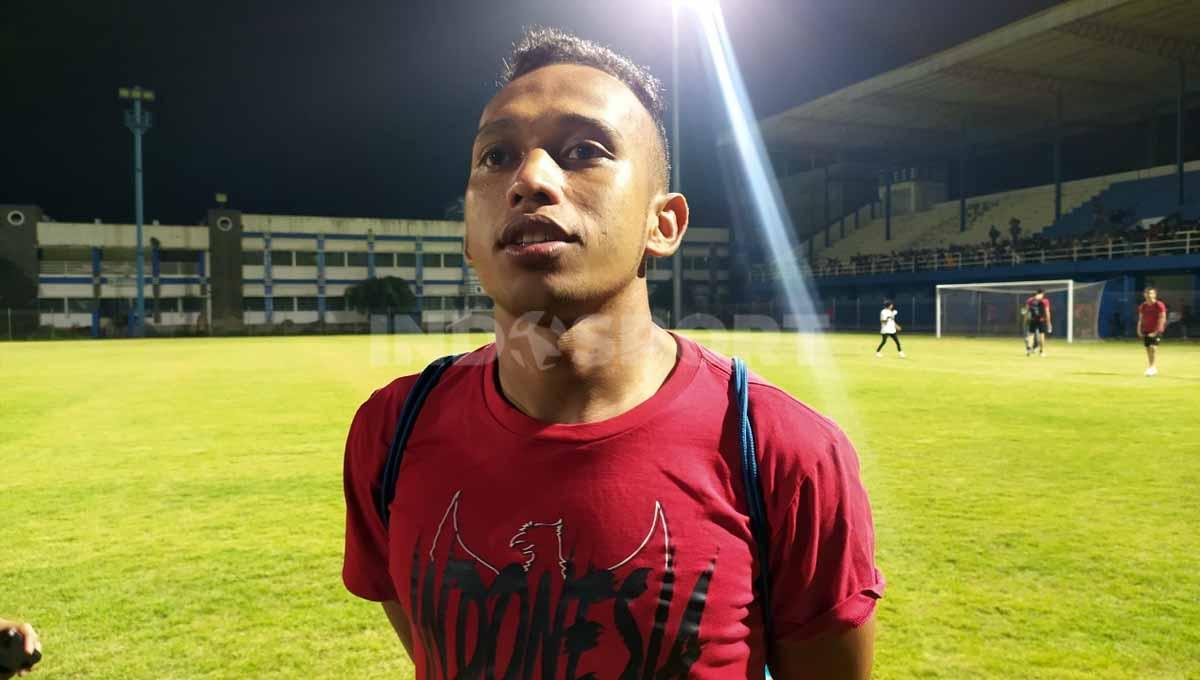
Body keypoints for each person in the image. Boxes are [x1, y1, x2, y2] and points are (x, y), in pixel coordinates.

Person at [342, 28, 883, 679]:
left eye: (582, 150)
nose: (529, 180)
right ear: (468, 231)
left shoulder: (785, 453)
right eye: (496, 157)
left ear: (665, 224)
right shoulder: (392, 432)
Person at [1137, 286, 1167, 376]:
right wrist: (1138, 330)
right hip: (1146, 330)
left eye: (1150, 293)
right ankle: (1151, 367)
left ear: (1154, 294)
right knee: (1148, 348)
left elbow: (1163, 318)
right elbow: (1140, 319)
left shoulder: (1159, 305)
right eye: (1146, 293)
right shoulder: (1143, 306)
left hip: (1156, 330)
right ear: (1144, 294)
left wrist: (1156, 331)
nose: (1148, 295)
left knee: (1153, 348)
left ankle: (1152, 367)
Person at [1023, 289, 1052, 356]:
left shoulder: (1030, 300)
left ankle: (1029, 350)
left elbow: (1026, 311)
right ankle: (1041, 352)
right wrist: (1049, 323)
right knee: (1041, 335)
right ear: (1042, 293)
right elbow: (1047, 312)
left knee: (1031, 335)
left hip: (1032, 320)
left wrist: (1025, 320)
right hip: (1041, 320)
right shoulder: (1045, 301)